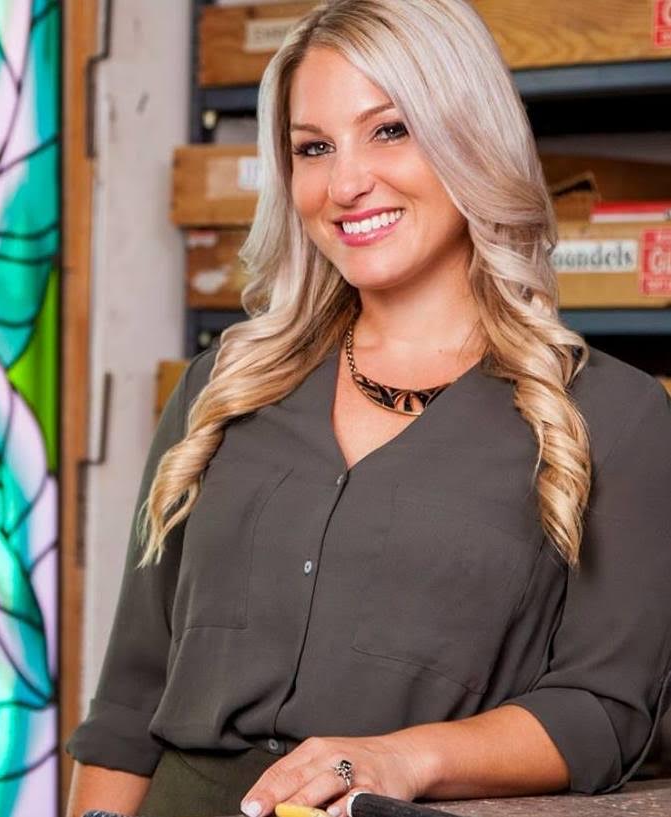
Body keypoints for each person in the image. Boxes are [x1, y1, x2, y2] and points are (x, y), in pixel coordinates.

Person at [66, 1, 671, 815]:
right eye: (312, 148)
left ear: (470, 136)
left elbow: (604, 712)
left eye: (389, 130)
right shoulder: (224, 386)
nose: (345, 183)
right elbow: (128, 704)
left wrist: (397, 759)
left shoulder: (613, 417)